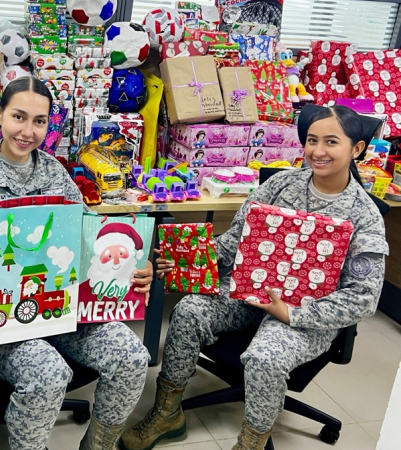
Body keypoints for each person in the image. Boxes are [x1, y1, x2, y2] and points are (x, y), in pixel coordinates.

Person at [119, 104, 389, 450]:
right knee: (188, 310)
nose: (318, 152)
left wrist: (293, 314)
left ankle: (251, 443)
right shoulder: (280, 184)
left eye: (331, 142)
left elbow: (362, 297)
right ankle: (168, 412)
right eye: (311, 141)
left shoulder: (364, 216)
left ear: (357, 149)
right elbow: (234, 242)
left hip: (305, 313)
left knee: (265, 357)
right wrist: (184, 260)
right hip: (250, 292)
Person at [0, 76, 153, 450]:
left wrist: (132, 265)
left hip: (57, 305)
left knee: (133, 357)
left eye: (39, 121)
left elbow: (92, 234)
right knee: (48, 373)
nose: (27, 131)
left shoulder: (55, 173)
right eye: (18, 117)